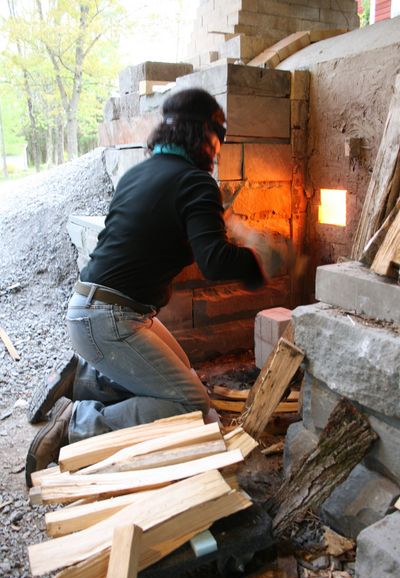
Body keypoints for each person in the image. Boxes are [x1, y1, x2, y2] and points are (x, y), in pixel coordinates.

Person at [25, 87, 269, 486]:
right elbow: (214, 261)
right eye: (219, 138)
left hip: (99, 310)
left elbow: (151, 240)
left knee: (184, 376)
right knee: (187, 405)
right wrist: (257, 263)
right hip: (110, 320)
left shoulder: (139, 173)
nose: (219, 149)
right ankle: (77, 423)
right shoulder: (194, 182)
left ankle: (87, 381)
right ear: (205, 135)